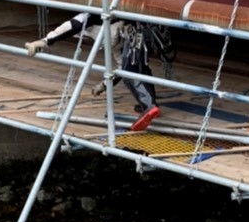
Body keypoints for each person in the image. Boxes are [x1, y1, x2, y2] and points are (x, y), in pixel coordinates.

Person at [25, 12, 163, 132]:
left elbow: (68, 27)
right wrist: (103, 85)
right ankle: (150, 105)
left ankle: (149, 106)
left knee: (130, 71)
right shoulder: (113, 43)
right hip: (134, 34)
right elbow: (121, 66)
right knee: (136, 66)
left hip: (133, 31)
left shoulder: (90, 16)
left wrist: (44, 41)